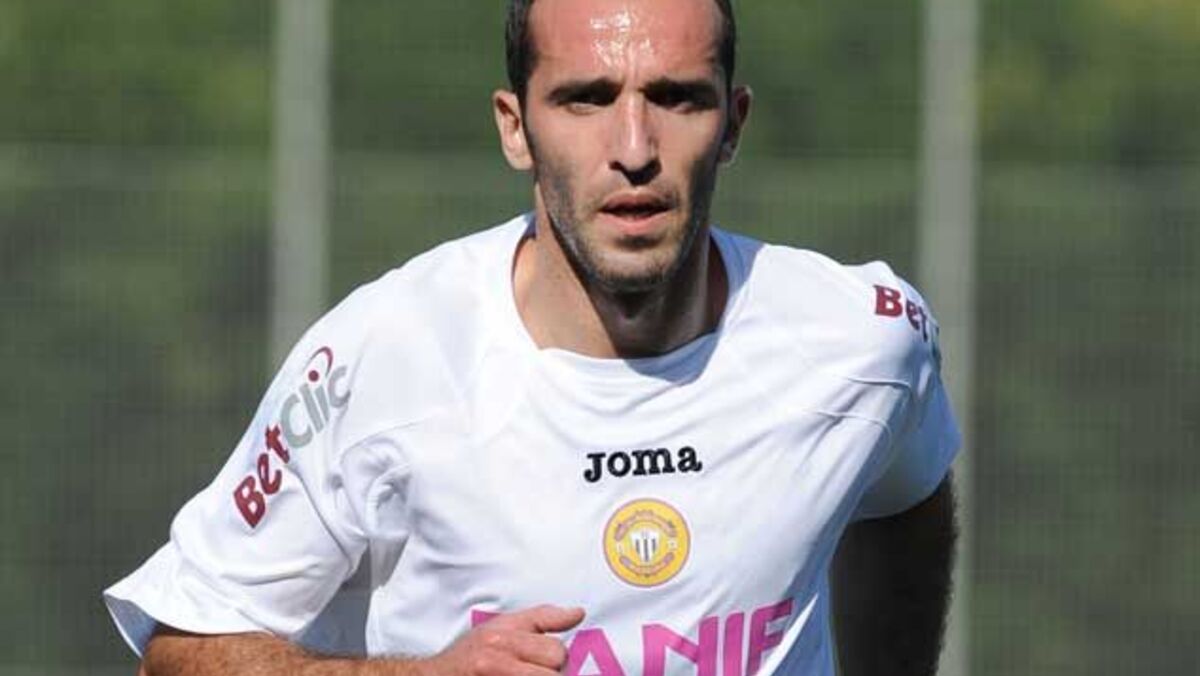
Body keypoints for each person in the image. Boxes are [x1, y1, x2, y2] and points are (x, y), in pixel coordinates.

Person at [105, 0, 960, 674]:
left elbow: (907, 499)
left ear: (732, 123)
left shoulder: (862, 340)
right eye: (586, 99)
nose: (634, 148)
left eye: (676, 97)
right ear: (515, 126)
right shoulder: (385, 356)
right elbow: (181, 652)